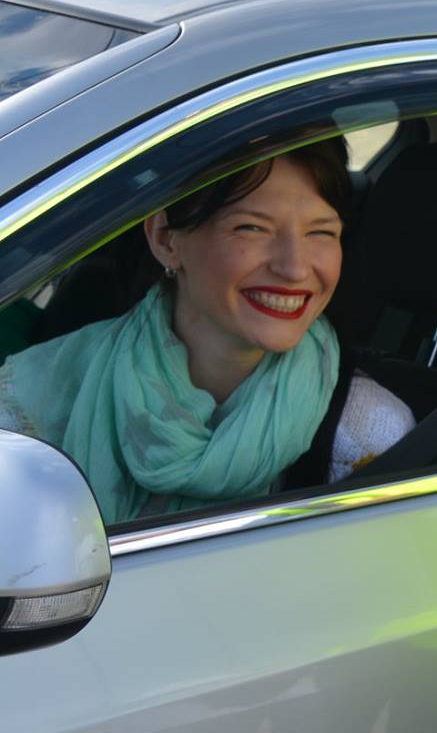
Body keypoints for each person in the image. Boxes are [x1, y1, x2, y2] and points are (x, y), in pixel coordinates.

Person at [0, 138, 413, 524]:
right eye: (252, 228)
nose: (295, 268)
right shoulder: (33, 394)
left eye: (321, 232)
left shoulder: (366, 433)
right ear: (165, 239)